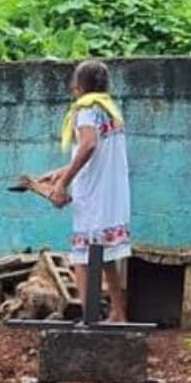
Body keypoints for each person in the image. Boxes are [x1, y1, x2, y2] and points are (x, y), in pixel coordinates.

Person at [44, 59, 132, 322]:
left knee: (81, 260)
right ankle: (118, 312)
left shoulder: (84, 109)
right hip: (111, 194)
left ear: (78, 85)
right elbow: (96, 153)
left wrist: (63, 182)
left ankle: (89, 316)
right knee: (105, 256)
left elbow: (89, 146)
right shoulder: (109, 110)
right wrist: (61, 172)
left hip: (92, 195)